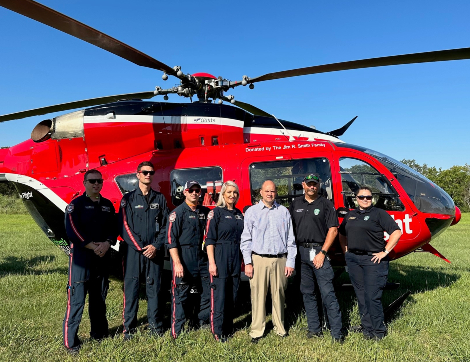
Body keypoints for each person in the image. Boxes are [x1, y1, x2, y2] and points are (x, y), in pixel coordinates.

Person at [338, 185, 402, 340]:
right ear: (356, 199)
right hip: (354, 260)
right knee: (361, 295)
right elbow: (341, 234)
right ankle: (367, 329)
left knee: (372, 296)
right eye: (362, 197)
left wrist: (385, 252)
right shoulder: (350, 216)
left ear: (371, 198)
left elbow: (396, 232)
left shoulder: (379, 213)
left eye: (368, 197)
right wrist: (346, 251)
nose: (365, 199)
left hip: (373, 260)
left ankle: (379, 332)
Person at [63, 169, 116, 354]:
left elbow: (113, 228)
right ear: (84, 183)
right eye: (92, 181)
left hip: (102, 258)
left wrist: (108, 243)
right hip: (81, 259)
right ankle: (71, 342)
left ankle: (99, 334)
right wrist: (92, 246)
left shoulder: (108, 206)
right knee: (77, 301)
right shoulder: (75, 205)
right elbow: (72, 230)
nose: (96, 184)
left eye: (99, 181)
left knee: (99, 298)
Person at [289, 174, 344, 342]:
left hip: (319, 252)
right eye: (309, 184)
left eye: (315, 184)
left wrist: (323, 253)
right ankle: (314, 329)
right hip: (301, 253)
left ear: (318, 186)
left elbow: (333, 230)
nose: (312, 187)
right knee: (307, 293)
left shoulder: (326, 204)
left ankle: (337, 333)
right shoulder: (295, 204)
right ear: (303, 185)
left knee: (327, 292)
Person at [240, 180, 296, 343]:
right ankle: (257, 330)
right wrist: (248, 262)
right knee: (258, 295)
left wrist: (290, 262)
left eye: (272, 191)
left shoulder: (284, 212)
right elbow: (246, 240)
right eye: (267, 191)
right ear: (261, 193)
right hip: (259, 259)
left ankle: (280, 327)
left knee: (279, 294)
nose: (270, 194)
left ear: (275, 192)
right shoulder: (252, 212)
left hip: (280, 259)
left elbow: (290, 239)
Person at [119, 161, 169, 339]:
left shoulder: (160, 198)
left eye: (151, 172)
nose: (148, 175)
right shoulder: (128, 199)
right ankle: (129, 329)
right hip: (134, 252)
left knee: (154, 289)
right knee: (131, 289)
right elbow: (125, 226)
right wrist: (141, 247)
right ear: (138, 174)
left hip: (154, 251)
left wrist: (156, 245)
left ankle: (155, 326)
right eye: (145, 172)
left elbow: (166, 225)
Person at [166, 180, 211, 339]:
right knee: (180, 296)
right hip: (184, 259)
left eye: (197, 190)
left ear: (200, 192)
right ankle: (177, 330)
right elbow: (171, 241)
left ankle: (201, 321)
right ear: (184, 192)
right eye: (190, 190)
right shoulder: (176, 214)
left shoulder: (205, 212)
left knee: (207, 292)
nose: (194, 193)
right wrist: (177, 263)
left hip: (202, 259)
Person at [205, 181, 244, 342]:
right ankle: (217, 331)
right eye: (229, 192)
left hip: (235, 258)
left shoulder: (239, 214)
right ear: (223, 194)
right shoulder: (216, 213)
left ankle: (228, 327)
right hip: (220, 257)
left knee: (232, 295)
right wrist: (212, 263)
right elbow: (209, 240)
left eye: (235, 192)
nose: (232, 195)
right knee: (219, 296)